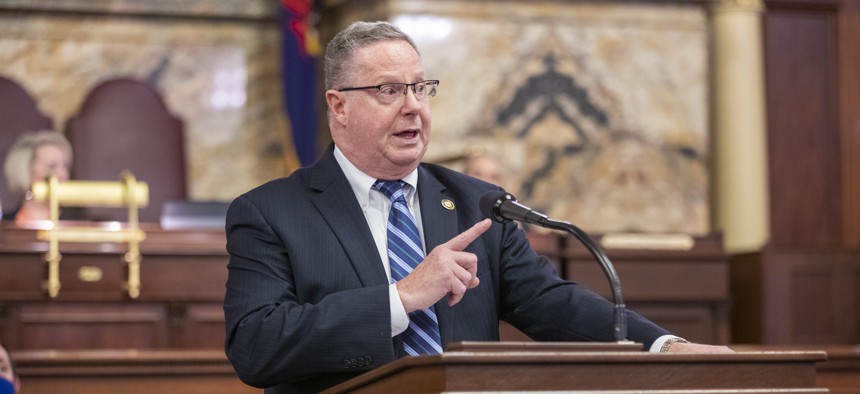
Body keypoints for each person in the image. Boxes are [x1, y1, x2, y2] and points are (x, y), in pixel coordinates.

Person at [224, 21, 732, 393]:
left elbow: (552, 304)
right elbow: (257, 346)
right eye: (388, 90)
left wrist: (664, 346)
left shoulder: (477, 204)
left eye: (421, 88)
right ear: (338, 105)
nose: (414, 107)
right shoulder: (271, 212)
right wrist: (400, 298)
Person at [2, 130, 73, 222]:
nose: (63, 174)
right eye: (51, 166)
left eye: (65, 166)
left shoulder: (80, 223)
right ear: (27, 171)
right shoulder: (6, 224)